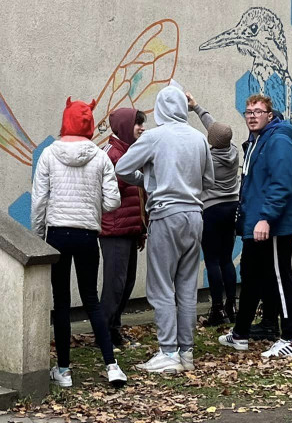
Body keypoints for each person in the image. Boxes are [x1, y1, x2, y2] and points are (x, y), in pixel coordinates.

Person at [115, 82, 213, 374]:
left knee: (160, 287)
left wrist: (147, 179)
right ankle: (186, 353)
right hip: (194, 216)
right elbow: (209, 181)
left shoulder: (155, 137)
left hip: (165, 215)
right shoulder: (198, 139)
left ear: (159, 108)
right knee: (186, 287)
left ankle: (168, 352)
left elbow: (122, 168)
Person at [31, 97, 127, 388]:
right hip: (88, 234)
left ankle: (64, 371)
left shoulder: (48, 154)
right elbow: (113, 201)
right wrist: (90, 206)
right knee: (91, 300)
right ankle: (112, 366)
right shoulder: (99, 157)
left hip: (57, 234)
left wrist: (38, 238)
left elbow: (39, 201)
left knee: (61, 303)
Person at [218, 93, 292, 359]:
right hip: (257, 223)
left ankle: (291, 340)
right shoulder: (258, 140)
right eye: (248, 112)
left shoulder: (278, 140)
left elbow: (281, 184)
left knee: (281, 278)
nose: (252, 116)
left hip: (274, 225)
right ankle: (240, 334)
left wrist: (266, 218)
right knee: (251, 275)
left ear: (270, 115)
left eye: (258, 111)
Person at [186, 92, 240, 326]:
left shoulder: (208, 157)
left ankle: (217, 308)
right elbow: (217, 130)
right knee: (227, 258)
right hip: (232, 207)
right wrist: (197, 107)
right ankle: (232, 305)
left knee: (212, 260)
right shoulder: (234, 150)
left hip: (212, 210)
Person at [99, 108, 148, 349]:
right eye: (137, 124)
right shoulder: (110, 153)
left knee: (126, 283)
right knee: (114, 284)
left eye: (142, 124)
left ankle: (114, 330)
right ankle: (104, 335)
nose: (141, 128)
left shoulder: (130, 152)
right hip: (114, 229)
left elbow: (139, 194)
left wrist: (141, 227)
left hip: (130, 229)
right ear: (125, 126)